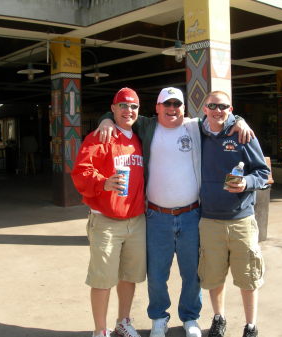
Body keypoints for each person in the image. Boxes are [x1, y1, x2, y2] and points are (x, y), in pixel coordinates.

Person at [96, 87, 255, 337]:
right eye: (166, 105)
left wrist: (241, 120)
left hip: (191, 215)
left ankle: (190, 318)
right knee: (157, 273)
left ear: (184, 108)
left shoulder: (194, 127)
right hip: (156, 216)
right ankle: (159, 317)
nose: (172, 109)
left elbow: (220, 116)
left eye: (176, 105)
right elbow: (121, 113)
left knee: (192, 272)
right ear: (157, 108)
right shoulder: (146, 127)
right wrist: (105, 118)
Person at [71, 88, 146, 337]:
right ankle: (100, 330)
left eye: (133, 106)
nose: (129, 111)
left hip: (136, 221)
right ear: (113, 109)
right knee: (102, 280)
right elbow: (80, 172)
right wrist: (102, 182)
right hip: (105, 222)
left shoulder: (138, 139)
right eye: (123, 106)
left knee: (129, 277)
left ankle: (123, 322)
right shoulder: (100, 136)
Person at [198, 91, 270, 337]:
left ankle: (251, 326)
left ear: (231, 108)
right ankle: (219, 318)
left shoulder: (242, 134)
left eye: (224, 106)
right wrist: (106, 119)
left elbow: (262, 173)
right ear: (204, 108)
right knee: (213, 275)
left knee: (248, 276)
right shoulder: (197, 133)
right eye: (213, 106)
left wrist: (246, 183)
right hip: (209, 219)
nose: (218, 110)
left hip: (241, 220)